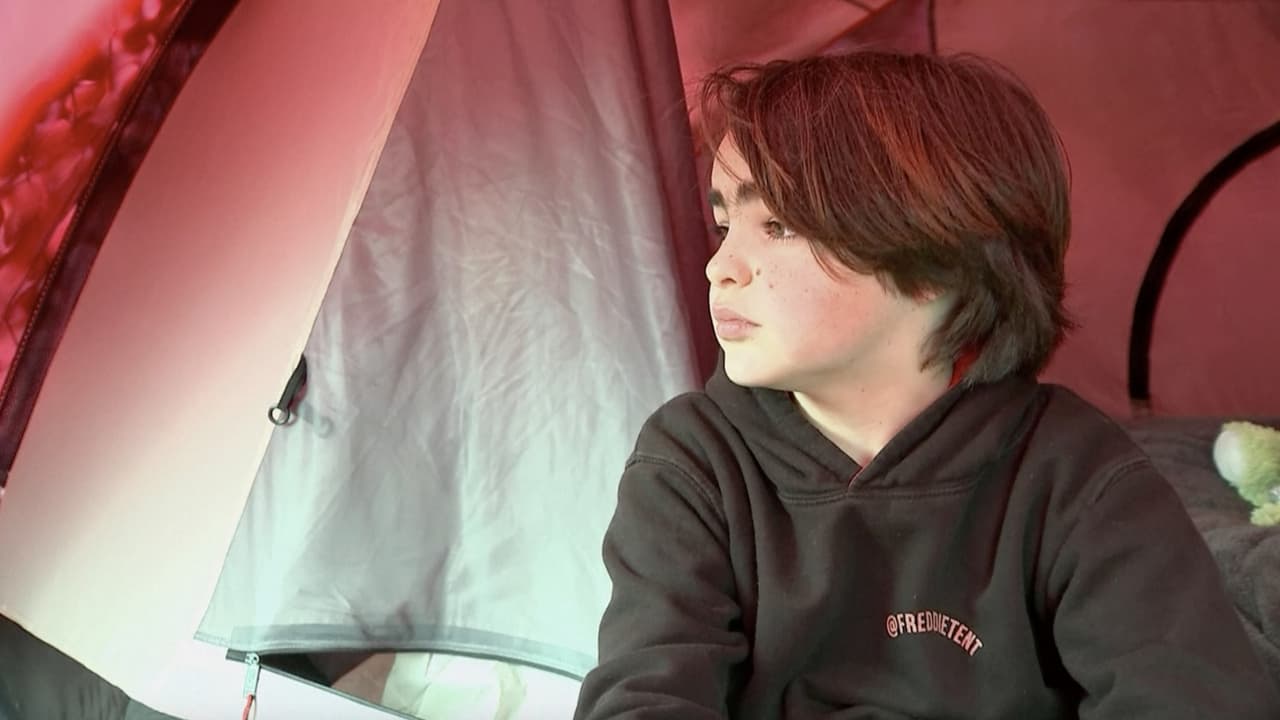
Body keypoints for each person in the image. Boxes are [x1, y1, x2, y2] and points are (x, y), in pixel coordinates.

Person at [572, 51, 1280, 719]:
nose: (719, 266)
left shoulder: (1075, 473)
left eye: (778, 225)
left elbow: (1189, 698)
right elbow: (645, 697)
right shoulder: (692, 464)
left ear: (939, 260)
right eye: (725, 224)